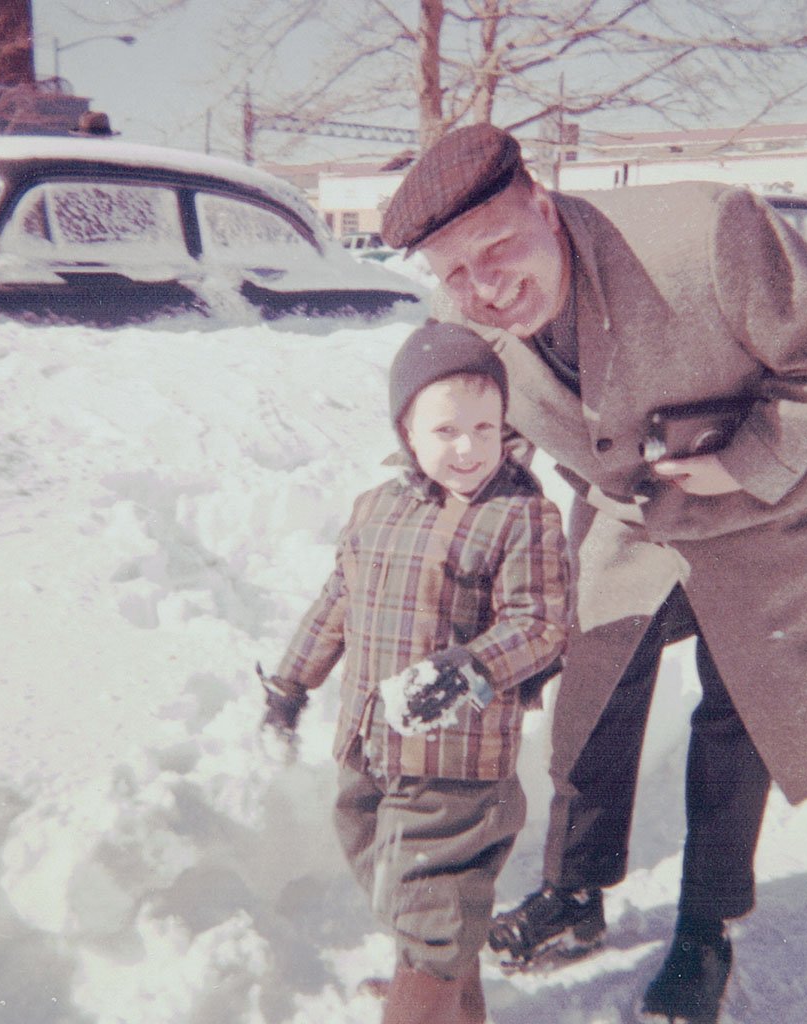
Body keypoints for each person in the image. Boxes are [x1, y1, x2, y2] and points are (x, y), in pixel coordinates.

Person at [379, 123, 807, 1024]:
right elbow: (488, 430)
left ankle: (705, 930)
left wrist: (745, 459)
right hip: (631, 513)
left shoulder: (709, 234)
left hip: (768, 508)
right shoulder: (465, 316)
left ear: (542, 206)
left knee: (739, 708)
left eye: (498, 248)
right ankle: (573, 893)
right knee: (592, 687)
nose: (485, 287)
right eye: (456, 272)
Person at [258, 321, 569, 1024]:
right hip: (369, 746)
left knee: (431, 904)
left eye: (485, 428)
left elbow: (541, 624)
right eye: (446, 430)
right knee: (401, 887)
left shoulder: (521, 515)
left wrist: (469, 669)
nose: (468, 448)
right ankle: (446, 995)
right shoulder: (376, 509)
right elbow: (338, 602)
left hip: (455, 762)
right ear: (406, 430)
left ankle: (422, 998)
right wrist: (290, 684)